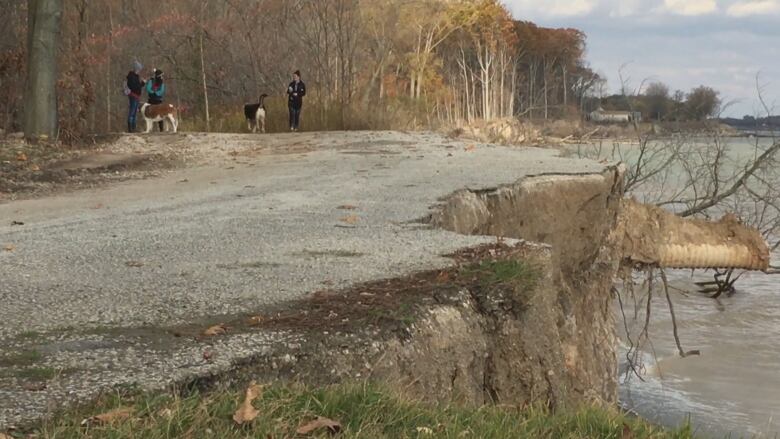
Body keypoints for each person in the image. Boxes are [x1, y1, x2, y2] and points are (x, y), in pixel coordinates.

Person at [125, 61, 145, 133]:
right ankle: (130, 128)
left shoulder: (136, 76)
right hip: (133, 96)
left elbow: (138, 86)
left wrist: (142, 84)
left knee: (135, 112)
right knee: (132, 111)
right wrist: (141, 84)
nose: (139, 70)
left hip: (137, 96)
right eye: (139, 69)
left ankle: (134, 127)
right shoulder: (131, 77)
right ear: (136, 69)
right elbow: (134, 87)